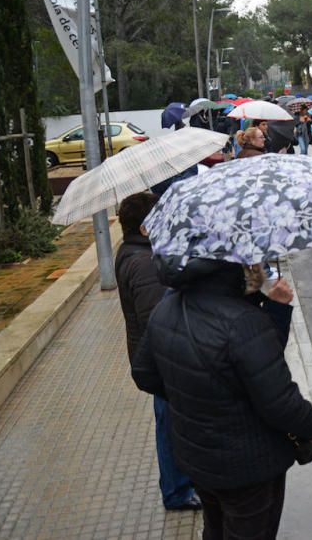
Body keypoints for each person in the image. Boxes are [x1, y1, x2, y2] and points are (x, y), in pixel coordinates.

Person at [132, 256, 312, 539]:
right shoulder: (244, 322)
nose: (258, 265)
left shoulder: (167, 308)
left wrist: (196, 399)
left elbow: (144, 374)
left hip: (197, 458)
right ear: (234, 266)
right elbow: (281, 404)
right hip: (248, 470)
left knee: (214, 528)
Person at [114, 192, 200, 511]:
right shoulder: (144, 263)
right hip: (165, 360)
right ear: (144, 228)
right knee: (171, 423)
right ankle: (177, 491)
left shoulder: (134, 252)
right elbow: (157, 318)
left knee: (171, 420)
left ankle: (181, 483)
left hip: (157, 358)